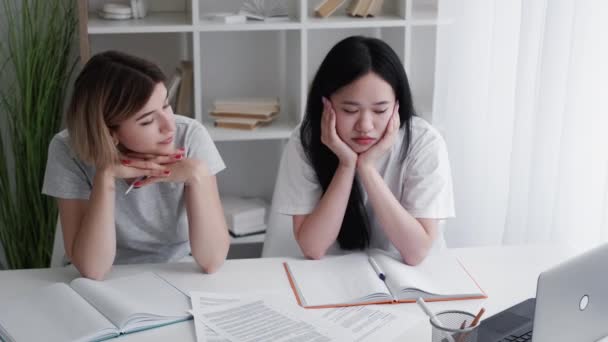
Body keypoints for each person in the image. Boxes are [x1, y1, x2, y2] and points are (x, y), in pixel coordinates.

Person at [42, 51, 230, 279]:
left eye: (167, 105)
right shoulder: (67, 150)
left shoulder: (190, 136)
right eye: (148, 120)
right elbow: (94, 269)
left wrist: (198, 174)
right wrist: (106, 177)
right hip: (103, 279)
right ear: (109, 132)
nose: (168, 126)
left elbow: (212, 260)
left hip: (176, 272)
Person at [272, 36, 455, 265]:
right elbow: (313, 247)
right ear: (325, 105)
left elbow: (416, 252)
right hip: (333, 275)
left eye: (380, 111)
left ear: (397, 105)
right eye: (350, 110)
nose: (365, 126)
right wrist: (346, 164)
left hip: (410, 279)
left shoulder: (423, 142)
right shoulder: (306, 141)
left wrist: (367, 168)